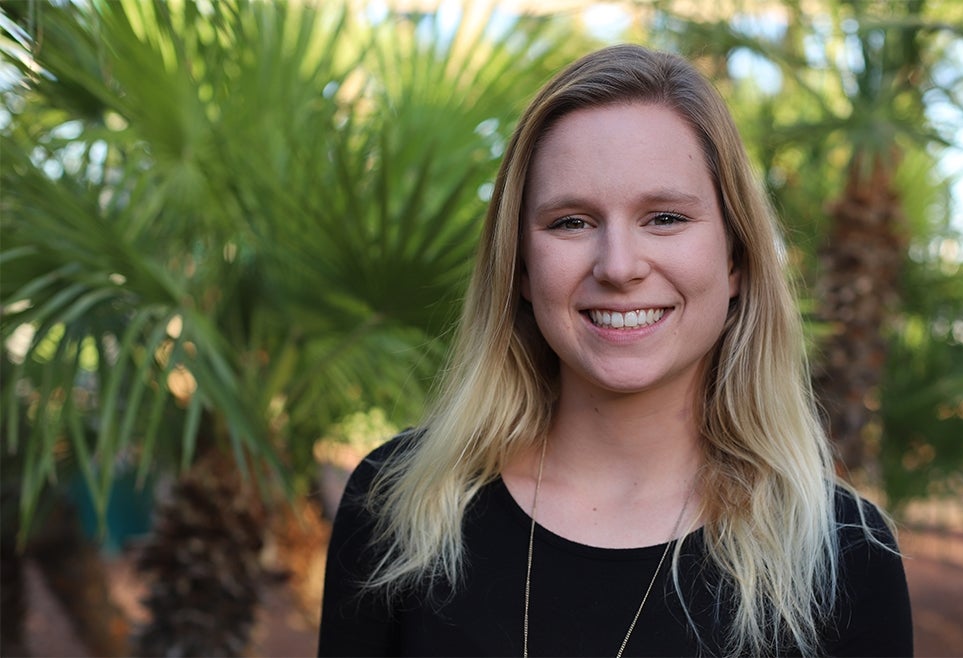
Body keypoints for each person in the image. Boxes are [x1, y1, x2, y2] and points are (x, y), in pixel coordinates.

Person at [319, 44, 913, 657]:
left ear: (735, 257)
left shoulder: (845, 558)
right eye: (571, 222)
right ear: (520, 267)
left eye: (664, 218)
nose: (619, 266)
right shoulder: (398, 501)